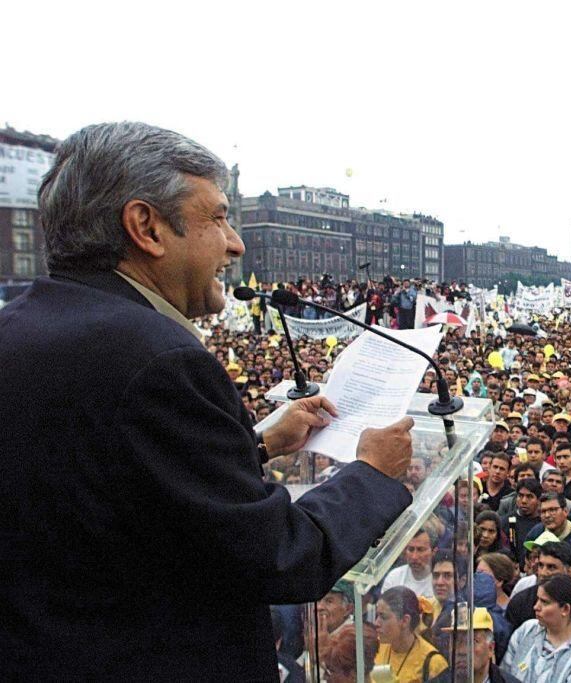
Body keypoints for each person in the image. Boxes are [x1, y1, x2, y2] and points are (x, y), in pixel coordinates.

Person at [0, 122, 416, 679]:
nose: (236, 243)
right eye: (217, 217)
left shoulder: (17, 328)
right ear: (145, 226)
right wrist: (371, 473)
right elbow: (280, 557)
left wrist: (260, 443)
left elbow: (109, 482)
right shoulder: (158, 358)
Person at [500, 575, 571, 683]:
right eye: (537, 599)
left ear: (565, 609)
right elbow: (504, 676)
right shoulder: (526, 630)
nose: (536, 607)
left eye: (544, 602)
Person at [504, 540, 571, 635]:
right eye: (540, 565)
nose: (543, 573)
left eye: (551, 567)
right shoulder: (521, 602)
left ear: (569, 571)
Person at [374, 587, 449, 683]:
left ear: (405, 620)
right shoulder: (376, 649)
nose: (376, 623)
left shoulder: (434, 664)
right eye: (377, 616)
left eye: (383, 617)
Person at [383, 529, 437, 597]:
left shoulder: (440, 582)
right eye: (411, 549)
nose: (414, 557)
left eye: (421, 550)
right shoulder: (394, 577)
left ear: (434, 552)